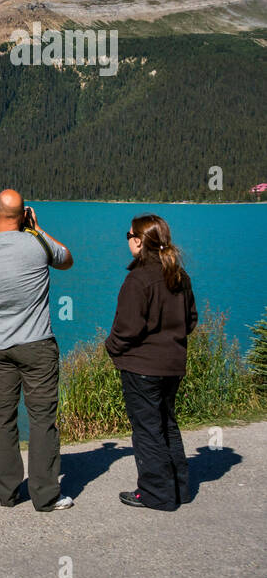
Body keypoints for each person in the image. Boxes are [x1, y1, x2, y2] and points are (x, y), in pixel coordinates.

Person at [0, 190, 76, 512]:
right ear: (25, 216)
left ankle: (7, 493)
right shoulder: (38, 245)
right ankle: (45, 495)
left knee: (2, 417)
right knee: (42, 419)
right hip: (37, 345)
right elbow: (67, 259)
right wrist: (36, 229)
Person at [105, 215, 198, 511]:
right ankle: (179, 488)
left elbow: (127, 328)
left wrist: (112, 348)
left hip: (142, 367)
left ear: (139, 240)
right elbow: (191, 321)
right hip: (172, 365)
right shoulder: (179, 276)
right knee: (167, 424)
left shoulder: (139, 279)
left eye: (129, 234)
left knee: (147, 430)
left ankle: (156, 494)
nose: (128, 239)